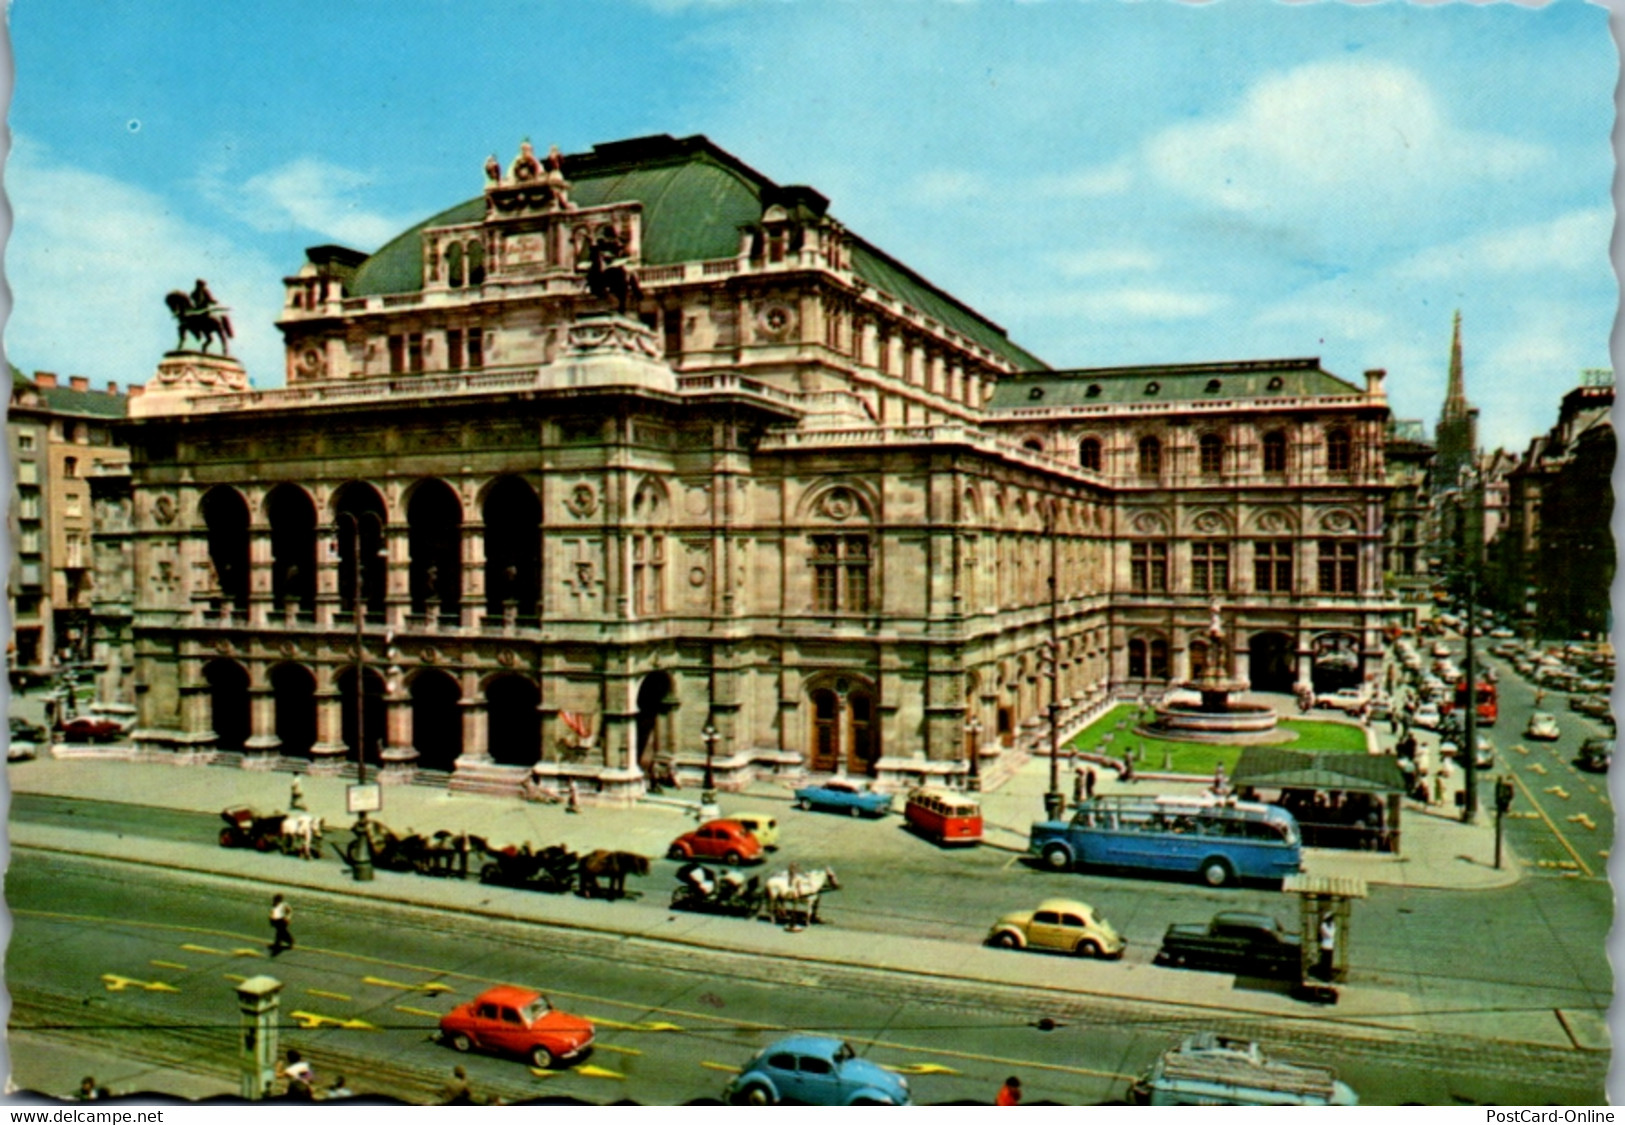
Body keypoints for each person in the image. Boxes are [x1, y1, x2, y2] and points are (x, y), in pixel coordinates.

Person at [1318, 914, 1337, 981]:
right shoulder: (1323, 926)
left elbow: (1332, 933)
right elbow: (1329, 935)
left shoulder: (1332, 925)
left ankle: (1328, 975)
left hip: (1330, 946)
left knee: (1329, 962)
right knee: (1324, 962)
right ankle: (1324, 976)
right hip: (1325, 946)